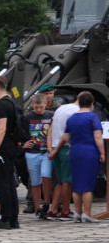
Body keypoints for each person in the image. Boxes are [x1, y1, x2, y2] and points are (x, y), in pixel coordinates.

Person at [62, 91, 105, 222]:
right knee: (88, 184)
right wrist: (102, 152)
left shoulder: (71, 118)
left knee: (77, 183)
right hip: (89, 151)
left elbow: (66, 136)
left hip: (75, 150)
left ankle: (77, 212)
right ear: (92, 104)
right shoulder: (93, 117)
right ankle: (87, 213)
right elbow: (98, 137)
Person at [0, 75, 22, 229]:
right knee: (9, 183)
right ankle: (13, 218)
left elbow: (1, 129)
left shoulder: (1, 105)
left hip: (3, 149)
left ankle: (6, 218)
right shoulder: (11, 102)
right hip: (11, 147)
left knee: (3, 184)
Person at [47, 89, 80, 219]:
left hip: (55, 145)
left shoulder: (61, 109)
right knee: (67, 181)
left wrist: (51, 148)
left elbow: (51, 129)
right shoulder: (75, 112)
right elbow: (67, 134)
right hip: (65, 147)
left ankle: (53, 209)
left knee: (60, 182)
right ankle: (65, 210)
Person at [23, 93, 54, 219]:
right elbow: (21, 132)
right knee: (35, 181)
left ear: (45, 104)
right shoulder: (27, 117)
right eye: (36, 107)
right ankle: (37, 207)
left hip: (46, 151)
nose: (38, 110)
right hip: (32, 152)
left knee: (46, 175)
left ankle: (46, 202)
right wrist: (23, 143)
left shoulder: (51, 116)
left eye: (41, 107)